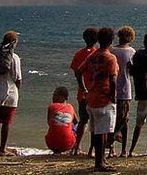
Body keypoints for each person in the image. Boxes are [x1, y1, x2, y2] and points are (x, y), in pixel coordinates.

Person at [79, 26, 119, 172]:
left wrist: (84, 89)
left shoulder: (92, 56)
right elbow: (113, 80)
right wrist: (113, 96)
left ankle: (100, 160)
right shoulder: (110, 58)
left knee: (96, 132)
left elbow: (78, 71)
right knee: (103, 132)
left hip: (91, 97)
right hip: (104, 98)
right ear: (111, 41)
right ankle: (100, 162)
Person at [70, 27, 98, 155]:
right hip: (94, 93)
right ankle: (91, 150)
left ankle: (77, 147)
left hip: (82, 93)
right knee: (94, 123)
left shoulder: (78, 54)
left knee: (83, 121)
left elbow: (76, 71)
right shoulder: (97, 54)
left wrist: (82, 88)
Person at [111, 26, 136, 157]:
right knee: (124, 120)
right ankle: (124, 150)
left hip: (111, 89)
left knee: (112, 120)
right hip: (125, 89)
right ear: (131, 38)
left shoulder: (111, 50)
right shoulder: (131, 52)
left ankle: (111, 149)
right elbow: (132, 71)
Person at [45, 86, 78, 154]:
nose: (53, 97)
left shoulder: (51, 106)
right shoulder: (70, 107)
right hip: (67, 144)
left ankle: (57, 147)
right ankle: (76, 147)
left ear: (61, 97)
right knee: (80, 125)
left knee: (56, 125)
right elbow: (76, 122)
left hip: (50, 144)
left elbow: (49, 123)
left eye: (55, 95)